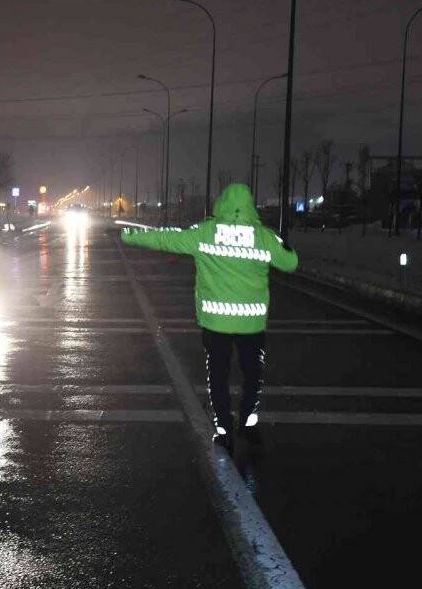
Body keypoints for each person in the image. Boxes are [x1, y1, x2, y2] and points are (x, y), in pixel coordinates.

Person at [121, 183, 298, 453]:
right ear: (251, 205)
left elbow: (165, 238)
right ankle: (248, 423)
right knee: (252, 374)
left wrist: (129, 235)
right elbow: (291, 262)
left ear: (222, 203)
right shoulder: (264, 237)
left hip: (216, 324)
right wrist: (281, 241)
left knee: (218, 375)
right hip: (252, 325)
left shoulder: (206, 232)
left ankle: (224, 429)